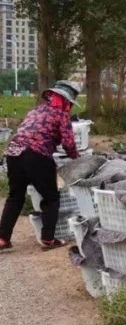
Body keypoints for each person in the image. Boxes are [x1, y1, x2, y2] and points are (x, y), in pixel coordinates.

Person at [0, 80, 81, 252]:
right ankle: (48, 239)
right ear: (66, 101)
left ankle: (2, 238)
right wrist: (77, 158)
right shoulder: (61, 115)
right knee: (51, 197)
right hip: (36, 154)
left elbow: (29, 132)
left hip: (14, 152)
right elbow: (68, 143)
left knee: (15, 197)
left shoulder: (35, 110)